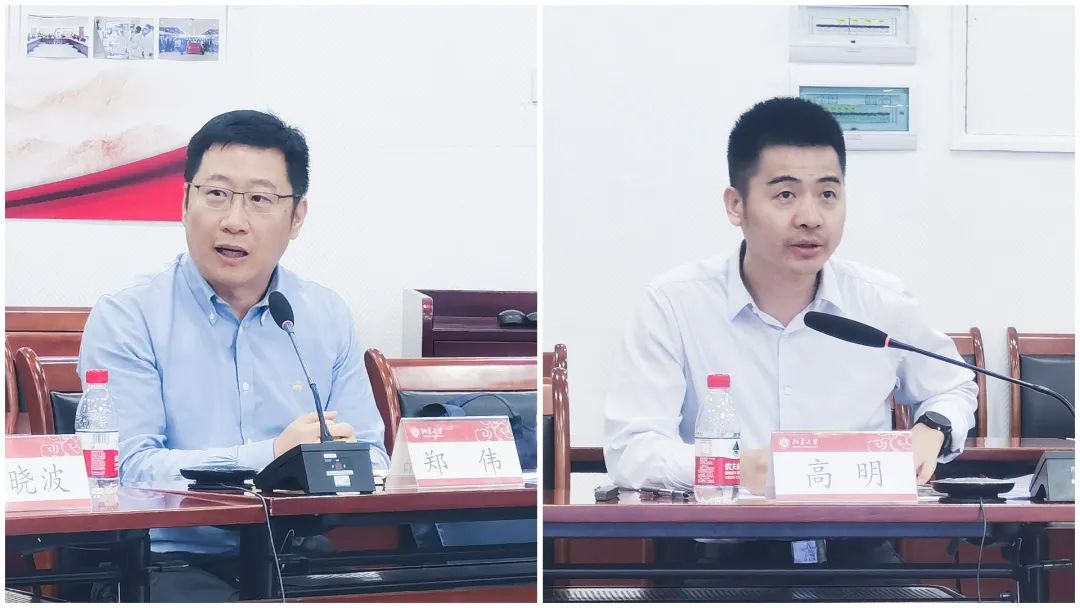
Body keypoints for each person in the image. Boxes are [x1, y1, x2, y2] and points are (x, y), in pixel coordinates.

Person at [603, 97, 977, 580]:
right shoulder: (674, 304)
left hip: (858, 556)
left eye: (828, 194)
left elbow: (955, 386)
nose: (810, 217)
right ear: (735, 205)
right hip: (719, 558)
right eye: (785, 195)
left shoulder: (881, 301)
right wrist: (740, 468)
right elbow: (632, 450)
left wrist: (932, 430)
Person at [78, 110, 390, 601]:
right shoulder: (128, 317)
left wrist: (336, 459)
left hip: (294, 554)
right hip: (161, 562)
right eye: (217, 194)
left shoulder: (323, 314)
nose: (233, 221)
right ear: (185, 201)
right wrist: (273, 458)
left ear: (297, 217)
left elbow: (372, 457)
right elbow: (125, 472)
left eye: (260, 199)